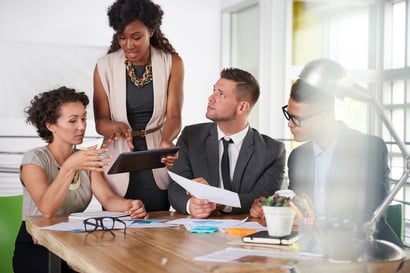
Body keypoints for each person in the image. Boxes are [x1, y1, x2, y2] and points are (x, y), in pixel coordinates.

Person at [250, 75, 403, 247]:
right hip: (316, 249)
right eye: (289, 114)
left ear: (324, 117)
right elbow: (302, 212)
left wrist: (310, 225)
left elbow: (369, 217)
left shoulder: (368, 149)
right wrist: (272, 209)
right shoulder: (298, 156)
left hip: (369, 250)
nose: (289, 124)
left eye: (297, 118)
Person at [13, 87, 148, 273]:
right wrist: (70, 167)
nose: (82, 126)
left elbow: (108, 199)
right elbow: (47, 209)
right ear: (50, 125)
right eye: (72, 121)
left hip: (73, 242)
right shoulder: (34, 159)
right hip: (37, 245)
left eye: (83, 118)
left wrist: (130, 205)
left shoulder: (85, 158)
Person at [93, 0, 184, 211]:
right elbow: (100, 122)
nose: (128, 45)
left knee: (158, 227)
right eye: (122, 38)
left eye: (136, 37)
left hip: (155, 157)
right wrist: (115, 127)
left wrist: (166, 140)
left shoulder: (172, 62)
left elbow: (174, 115)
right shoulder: (104, 66)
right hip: (118, 157)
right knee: (119, 228)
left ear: (151, 31)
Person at [168, 68, 286, 219]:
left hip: (245, 234)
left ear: (242, 107)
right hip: (198, 233)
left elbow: (260, 199)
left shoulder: (273, 151)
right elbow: (175, 189)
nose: (211, 98)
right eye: (214, 91)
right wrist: (191, 205)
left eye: (221, 94)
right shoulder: (191, 136)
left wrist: (218, 200)